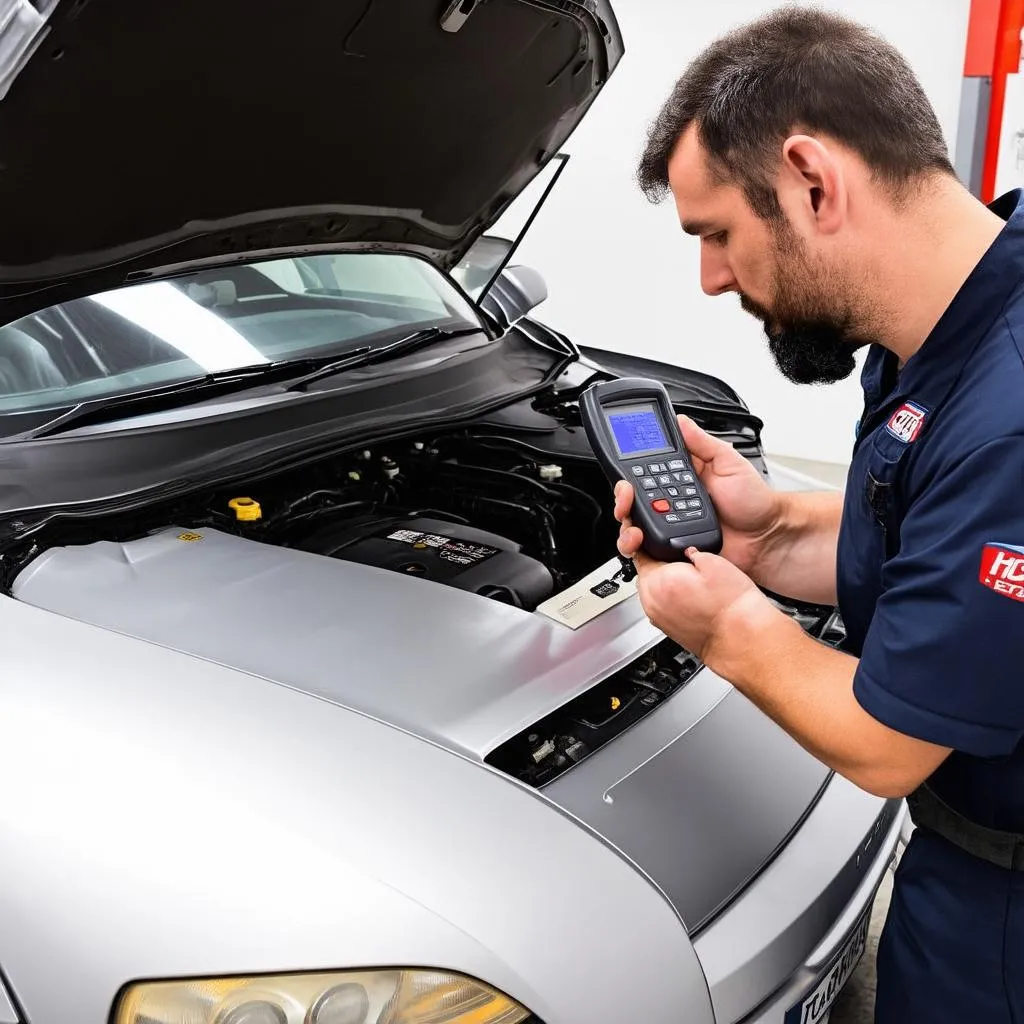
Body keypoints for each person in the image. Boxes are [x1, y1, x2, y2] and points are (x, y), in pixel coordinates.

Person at [613, 6, 1024, 1022]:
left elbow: (886, 743)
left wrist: (723, 626)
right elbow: (932, 531)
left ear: (810, 180)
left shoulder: (1011, 413)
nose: (710, 278)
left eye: (716, 234)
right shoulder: (938, 325)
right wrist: (768, 533)